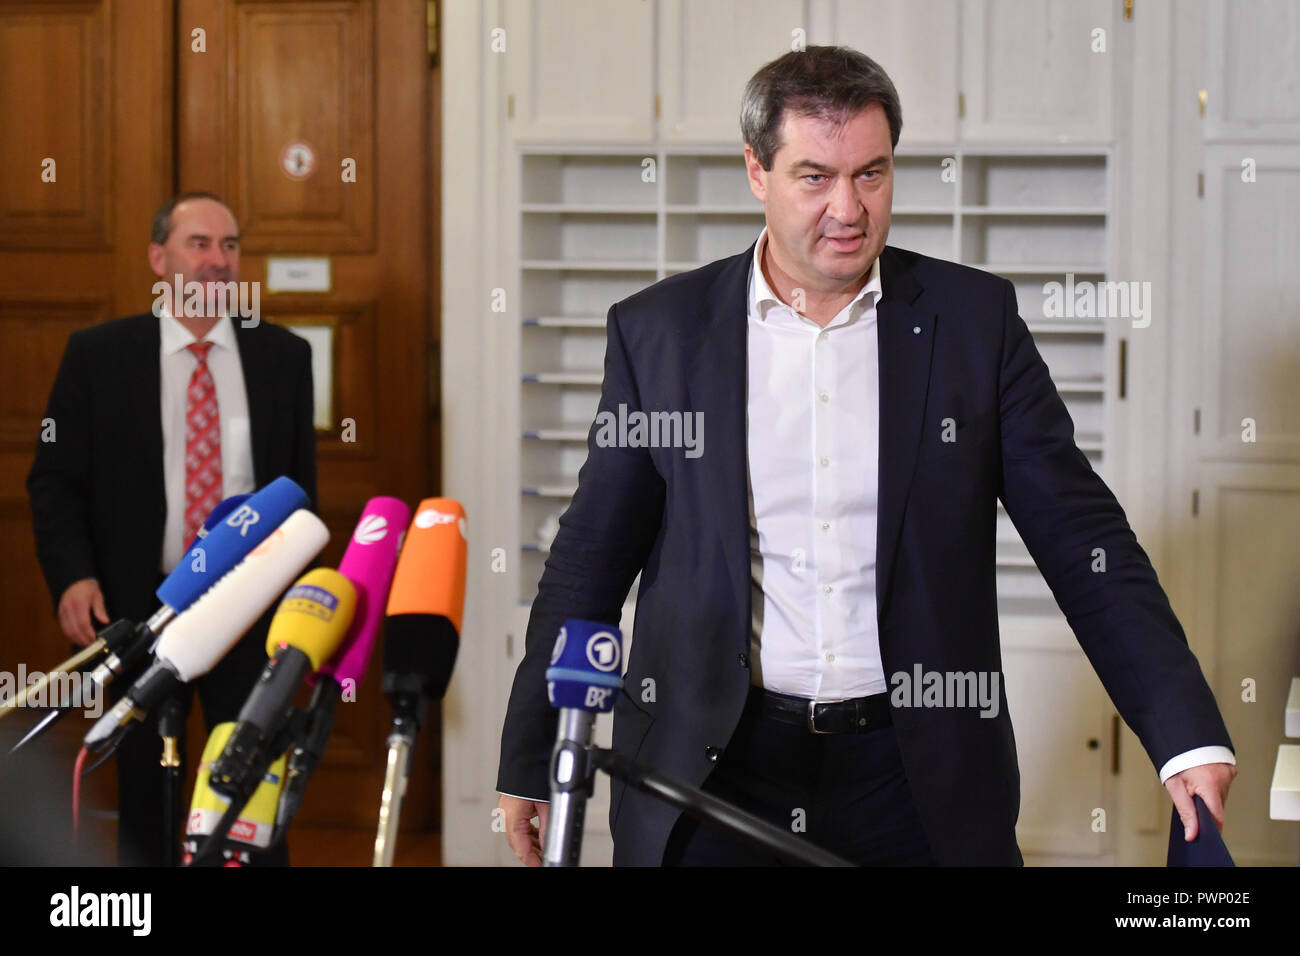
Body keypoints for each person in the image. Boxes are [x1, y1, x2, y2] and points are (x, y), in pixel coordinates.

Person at [496, 46, 1237, 866]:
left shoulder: (972, 325)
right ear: (757, 172)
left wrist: (1185, 736)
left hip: (914, 776)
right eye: (815, 177)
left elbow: (1083, 540)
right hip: (714, 770)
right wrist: (533, 755)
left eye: (872, 175)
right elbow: (591, 560)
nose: (849, 209)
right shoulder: (660, 334)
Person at [27, 191, 316, 865]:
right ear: (159, 258)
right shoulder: (98, 356)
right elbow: (55, 480)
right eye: (200, 244)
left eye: (231, 246)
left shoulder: (284, 358)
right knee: (146, 790)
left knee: (252, 782)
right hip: (139, 609)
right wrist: (72, 575)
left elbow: (301, 495)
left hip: (250, 608)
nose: (219, 261)